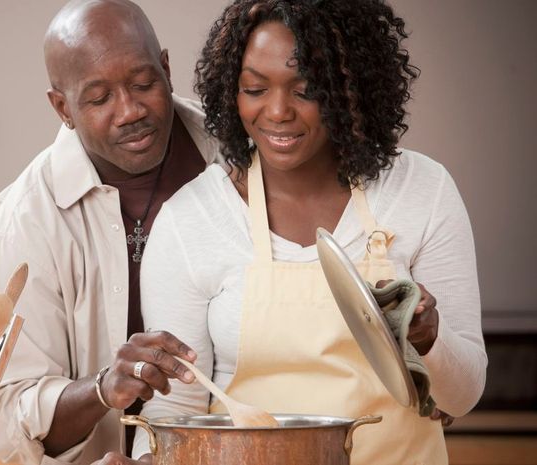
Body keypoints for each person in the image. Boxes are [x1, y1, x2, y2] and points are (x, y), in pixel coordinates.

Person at [133, 0, 487, 463]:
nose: (277, 112)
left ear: (349, 90)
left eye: (305, 90)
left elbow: (462, 396)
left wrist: (428, 340)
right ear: (231, 91)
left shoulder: (422, 190)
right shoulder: (191, 219)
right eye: (255, 89)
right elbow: (176, 406)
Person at [0, 1, 222, 464]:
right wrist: (104, 388)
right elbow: (5, 417)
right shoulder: (25, 221)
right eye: (99, 98)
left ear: (167, 69)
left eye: (144, 83)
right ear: (62, 107)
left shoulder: (239, 158)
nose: (129, 111)